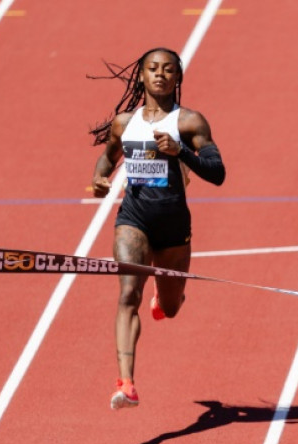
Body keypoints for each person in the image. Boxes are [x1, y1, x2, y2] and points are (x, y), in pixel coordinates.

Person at [89, 47, 226, 410]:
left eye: (168, 70)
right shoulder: (123, 123)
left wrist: (180, 152)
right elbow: (108, 157)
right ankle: (126, 383)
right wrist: (99, 177)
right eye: (153, 69)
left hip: (174, 227)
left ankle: (167, 298)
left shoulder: (189, 122)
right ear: (141, 77)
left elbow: (218, 173)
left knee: (171, 306)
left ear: (177, 78)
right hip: (133, 219)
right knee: (127, 294)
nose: (160, 74)